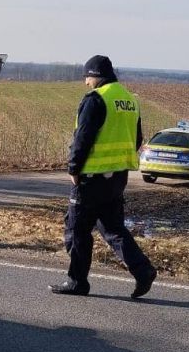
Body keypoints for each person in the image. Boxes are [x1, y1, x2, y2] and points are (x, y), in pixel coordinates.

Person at [50, 55, 157, 298]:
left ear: (96, 75)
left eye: (87, 76)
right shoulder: (129, 100)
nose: (86, 82)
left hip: (91, 177)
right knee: (113, 228)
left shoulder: (96, 99)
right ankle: (143, 271)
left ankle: (77, 281)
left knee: (76, 229)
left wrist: (74, 169)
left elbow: (83, 137)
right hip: (118, 177)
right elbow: (136, 138)